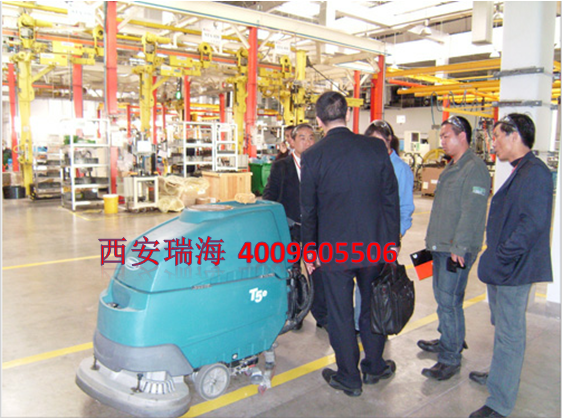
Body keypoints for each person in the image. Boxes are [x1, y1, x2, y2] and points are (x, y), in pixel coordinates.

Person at [301, 91, 400, 397]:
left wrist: (309, 250)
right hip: (374, 246)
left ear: (319, 121)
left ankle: (349, 376)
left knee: (341, 314)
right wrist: (392, 242)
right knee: (372, 306)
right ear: (347, 114)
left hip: (334, 251)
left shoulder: (313, 156)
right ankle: (374, 366)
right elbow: (390, 198)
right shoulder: (375, 148)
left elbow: (309, 210)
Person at [469, 114, 553, 418]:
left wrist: (501, 255)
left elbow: (532, 225)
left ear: (514, 135)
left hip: (515, 269)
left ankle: (500, 403)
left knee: (510, 335)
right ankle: (498, 374)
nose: (493, 143)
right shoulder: (521, 170)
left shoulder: (536, 173)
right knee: (503, 328)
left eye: (497, 136)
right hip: (505, 267)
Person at [418, 115, 490, 381]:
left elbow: (472, 212)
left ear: (462, 136)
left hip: (455, 249)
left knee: (450, 302)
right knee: (443, 298)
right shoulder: (453, 166)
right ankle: (449, 338)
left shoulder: (474, 168)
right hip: (441, 245)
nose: (442, 141)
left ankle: (450, 357)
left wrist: (460, 246)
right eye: (442, 137)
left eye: (446, 136)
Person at [262, 124, 326, 328]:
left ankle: (322, 315)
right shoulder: (281, 167)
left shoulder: (321, 165)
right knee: (292, 271)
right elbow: (270, 196)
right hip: (291, 228)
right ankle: (295, 313)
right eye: (302, 138)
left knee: (318, 272)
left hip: (314, 229)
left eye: (311, 138)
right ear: (292, 141)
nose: (307, 142)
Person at [354, 120, 415, 331]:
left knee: (380, 286)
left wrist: (395, 237)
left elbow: (405, 208)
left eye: (379, 141)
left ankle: (378, 326)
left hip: (385, 239)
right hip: (364, 236)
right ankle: (361, 324)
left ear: (389, 141)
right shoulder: (364, 165)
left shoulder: (400, 169)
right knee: (363, 285)